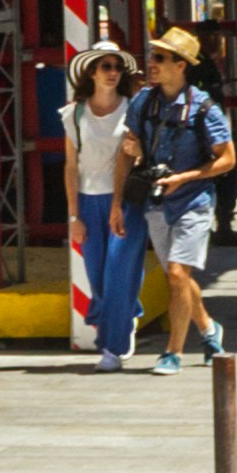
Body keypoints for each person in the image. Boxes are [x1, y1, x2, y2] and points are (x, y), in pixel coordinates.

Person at [121, 27, 236, 373]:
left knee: (175, 273)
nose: (151, 63)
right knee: (179, 278)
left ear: (181, 65)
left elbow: (227, 159)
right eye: (152, 56)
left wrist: (185, 178)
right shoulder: (144, 102)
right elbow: (128, 149)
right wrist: (121, 193)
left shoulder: (204, 109)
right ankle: (208, 328)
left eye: (159, 58)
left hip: (194, 202)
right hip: (157, 203)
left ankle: (173, 353)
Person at [66, 46, 146, 373]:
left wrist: (138, 149)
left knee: (118, 270)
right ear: (92, 73)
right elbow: (71, 166)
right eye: (105, 66)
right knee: (98, 276)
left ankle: (112, 347)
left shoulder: (134, 109)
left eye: (117, 67)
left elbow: (142, 152)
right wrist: (73, 215)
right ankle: (128, 314)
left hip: (126, 200)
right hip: (88, 200)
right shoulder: (74, 114)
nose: (112, 72)